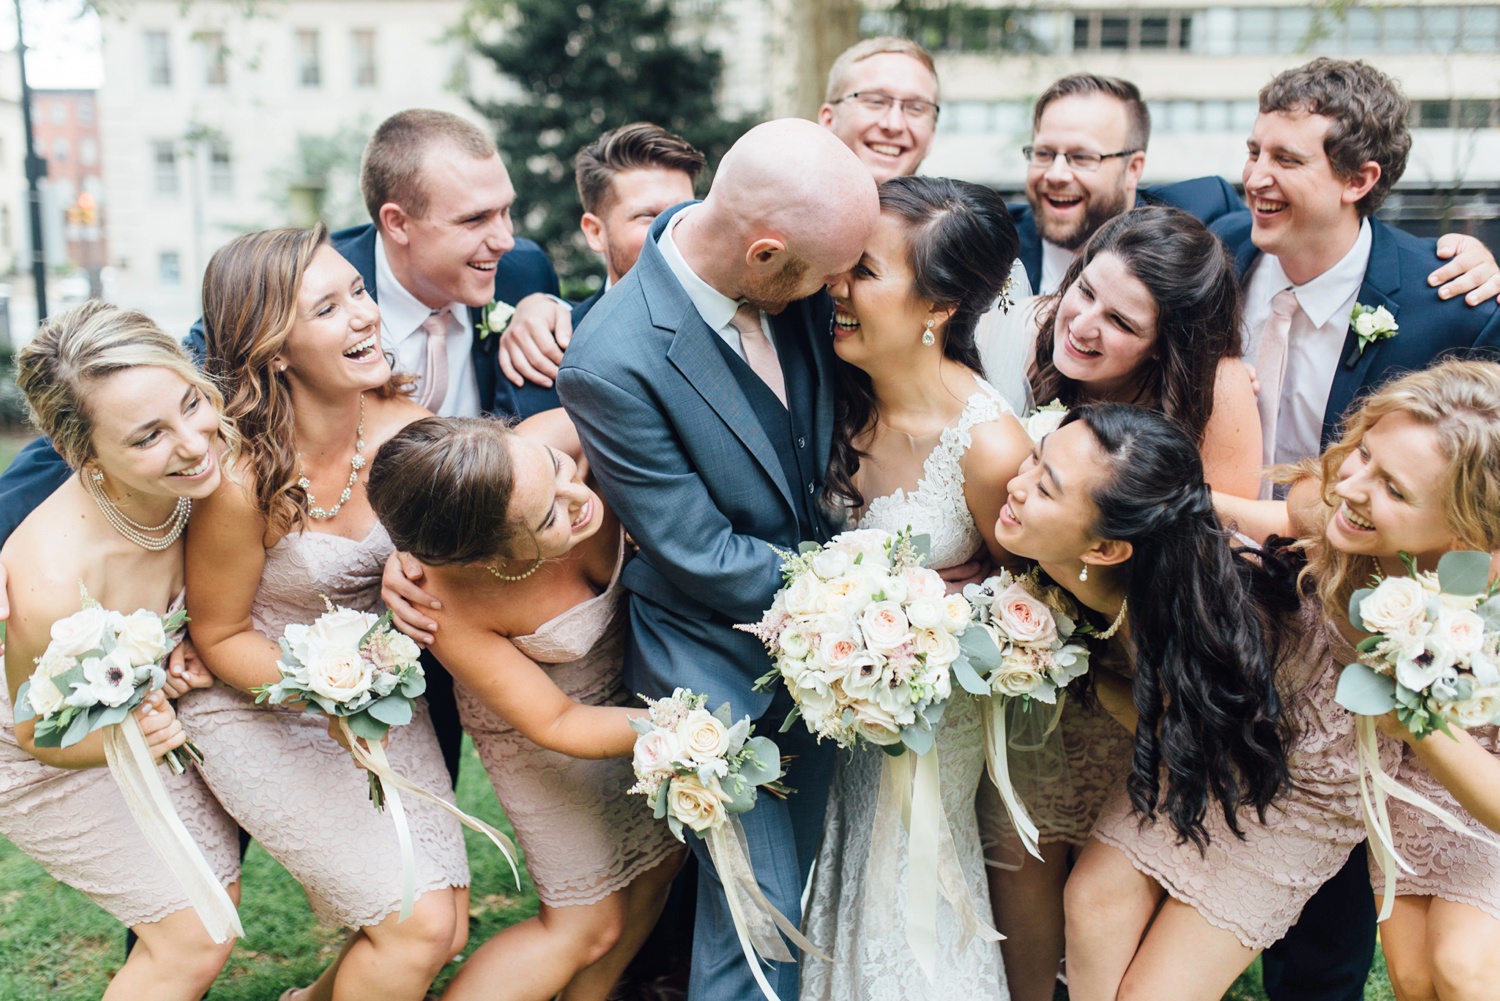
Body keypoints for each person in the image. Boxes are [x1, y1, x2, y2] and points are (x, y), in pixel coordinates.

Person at [555, 118, 879, 1001]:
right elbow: (700, 552)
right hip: (711, 667)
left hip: (833, 659)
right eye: (821, 276)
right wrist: (872, 596)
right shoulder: (610, 360)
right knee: (758, 907)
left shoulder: (790, 270)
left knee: (804, 890)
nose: (836, 293)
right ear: (765, 253)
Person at [1214, 60, 1500, 998]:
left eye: (1285, 158)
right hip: (1222, 600)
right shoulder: (1207, 254)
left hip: (1364, 617)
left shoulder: (1447, 298)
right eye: (1254, 149)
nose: (1255, 174)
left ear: (1358, 179)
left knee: (1349, 927)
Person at [183, 225, 470, 1001]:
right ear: (274, 348)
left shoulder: (409, 433)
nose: (366, 315)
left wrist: (423, 567)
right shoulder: (242, 477)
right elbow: (217, 634)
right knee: (414, 926)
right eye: (330, 308)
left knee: (448, 923)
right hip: (253, 700)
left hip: (371, 692)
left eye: (360, 292)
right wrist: (330, 687)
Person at [798, 175, 1029, 999]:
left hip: (933, 719)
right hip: (827, 703)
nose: (836, 286)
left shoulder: (990, 448)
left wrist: (936, 615)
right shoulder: (827, 384)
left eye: (863, 271)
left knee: (905, 892)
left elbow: (1031, 614)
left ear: (939, 307)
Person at [365, 413, 684, 1001]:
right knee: (584, 929)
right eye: (548, 518)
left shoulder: (548, 443)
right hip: (541, 743)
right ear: (489, 558)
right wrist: (687, 730)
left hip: (630, 694)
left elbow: (646, 402)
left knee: (657, 868)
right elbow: (556, 722)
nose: (577, 497)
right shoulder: (446, 603)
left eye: (559, 470)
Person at [991, 403, 1297, 1000]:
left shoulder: (1180, 631)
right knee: (1090, 904)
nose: (1016, 486)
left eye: (1045, 488)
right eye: (1035, 457)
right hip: (1194, 749)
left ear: (1105, 551)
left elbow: (1196, 734)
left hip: (1287, 761)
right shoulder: (1092, 579)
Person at [0, 301, 241, 1001]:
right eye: (147, 438)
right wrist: (130, 729)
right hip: (41, 759)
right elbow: (33, 732)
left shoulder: (202, 472)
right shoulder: (50, 578)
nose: (195, 443)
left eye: (191, 402)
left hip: (135, 717)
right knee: (196, 932)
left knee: (211, 898)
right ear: (82, 456)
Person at [994, 206, 1261, 498]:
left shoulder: (1217, 385)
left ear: (1164, 346)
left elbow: (1230, 531)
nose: (1081, 325)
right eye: (1085, 291)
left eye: (1119, 321)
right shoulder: (1021, 328)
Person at [571, 123, 705, 326]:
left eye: (682, 214)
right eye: (648, 216)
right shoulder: (560, 345)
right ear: (595, 232)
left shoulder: (736, 324)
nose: (672, 232)